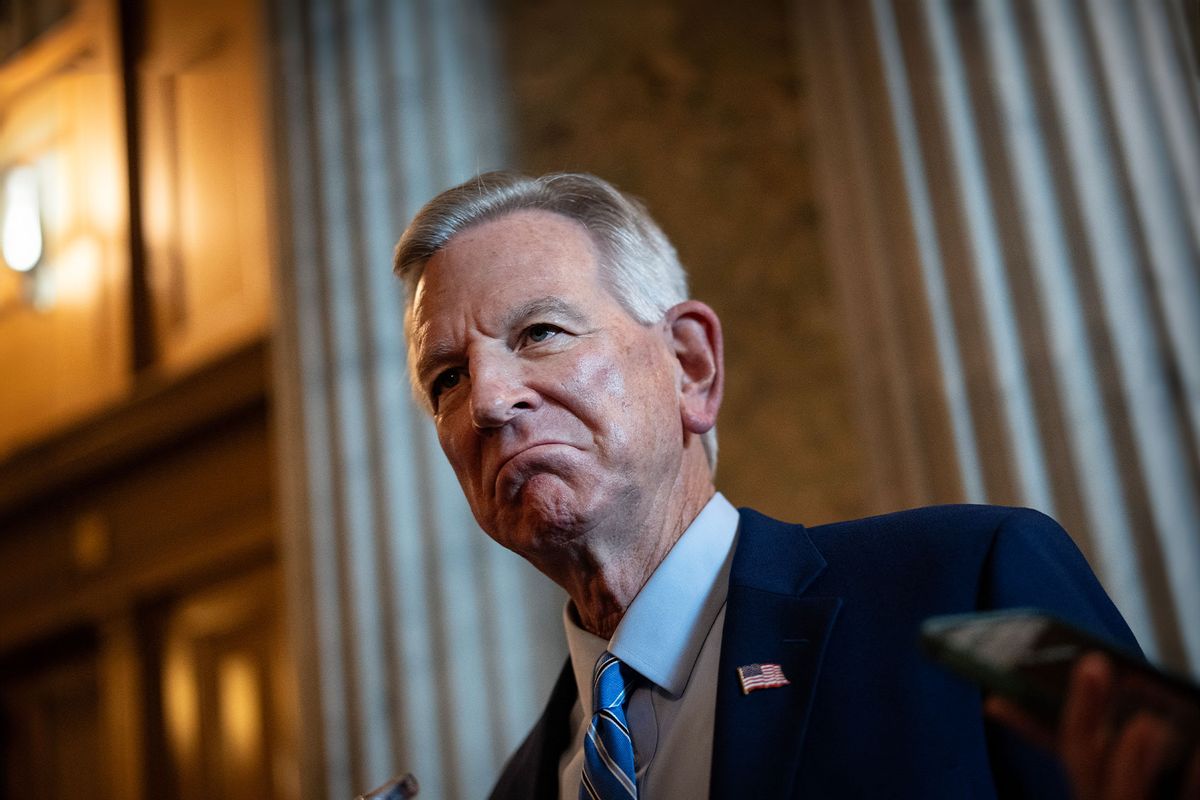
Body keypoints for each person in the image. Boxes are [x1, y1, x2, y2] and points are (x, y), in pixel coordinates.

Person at [393, 171, 1199, 799]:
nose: (491, 400)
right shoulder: (516, 789)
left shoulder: (969, 587)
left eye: (539, 333)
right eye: (448, 379)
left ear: (690, 365)